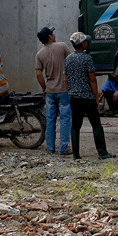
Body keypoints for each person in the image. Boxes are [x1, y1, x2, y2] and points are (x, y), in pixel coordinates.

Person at [64, 32, 115, 161]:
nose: (87, 43)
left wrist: (70, 92)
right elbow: (92, 79)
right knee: (96, 124)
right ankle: (102, 152)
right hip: (87, 97)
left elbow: (66, 79)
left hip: (74, 98)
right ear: (82, 44)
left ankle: (76, 155)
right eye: (85, 41)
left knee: (75, 126)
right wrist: (96, 97)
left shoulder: (68, 59)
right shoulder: (87, 58)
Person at [35, 26, 72, 155]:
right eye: (52, 33)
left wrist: (44, 88)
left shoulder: (39, 54)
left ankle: (50, 148)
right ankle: (64, 147)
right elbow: (71, 62)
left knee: (50, 120)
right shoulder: (62, 46)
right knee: (65, 119)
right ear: (50, 36)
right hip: (64, 89)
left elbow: (38, 74)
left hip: (50, 90)